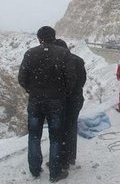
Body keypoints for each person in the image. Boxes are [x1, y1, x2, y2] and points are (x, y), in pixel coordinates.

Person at [18, 26, 70, 182]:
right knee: (55, 137)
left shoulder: (30, 54)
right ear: (54, 37)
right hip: (56, 101)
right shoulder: (63, 54)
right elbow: (70, 79)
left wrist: (31, 90)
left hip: (35, 101)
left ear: (39, 38)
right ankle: (55, 173)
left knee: (34, 136)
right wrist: (62, 93)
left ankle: (34, 170)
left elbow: (22, 78)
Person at [54, 39, 87, 170]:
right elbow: (83, 80)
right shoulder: (78, 60)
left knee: (60, 129)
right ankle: (71, 156)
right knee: (71, 127)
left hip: (64, 100)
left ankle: (62, 160)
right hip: (77, 98)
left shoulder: (60, 61)